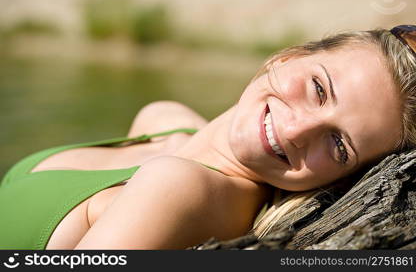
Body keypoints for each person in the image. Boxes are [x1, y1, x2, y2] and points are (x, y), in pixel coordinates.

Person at [0, 25, 415, 250]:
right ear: (288, 57)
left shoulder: (179, 187)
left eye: (339, 145)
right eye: (318, 89)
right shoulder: (167, 119)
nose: (294, 131)